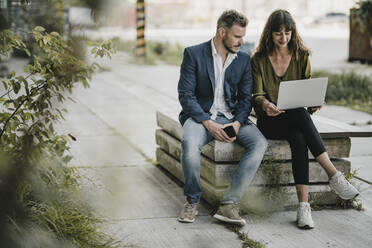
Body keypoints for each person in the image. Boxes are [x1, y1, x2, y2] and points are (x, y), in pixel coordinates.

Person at [251, 9, 359, 229]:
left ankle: (303, 207)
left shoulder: (302, 55)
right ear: (269, 33)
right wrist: (265, 104)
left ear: (293, 32)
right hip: (269, 121)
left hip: (297, 118)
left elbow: (307, 88)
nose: (283, 38)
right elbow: (257, 95)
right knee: (299, 116)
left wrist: (315, 102)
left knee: (299, 136)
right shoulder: (259, 58)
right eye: (278, 33)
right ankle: (334, 176)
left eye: (288, 33)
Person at [177, 10, 268, 226]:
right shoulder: (194, 54)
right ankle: (192, 201)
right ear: (221, 32)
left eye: (243, 36)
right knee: (189, 144)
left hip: (232, 117)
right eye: (237, 37)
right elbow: (186, 96)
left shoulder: (244, 59)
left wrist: (236, 124)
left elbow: (246, 99)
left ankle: (228, 204)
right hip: (202, 117)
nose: (241, 41)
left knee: (259, 143)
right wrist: (208, 124)